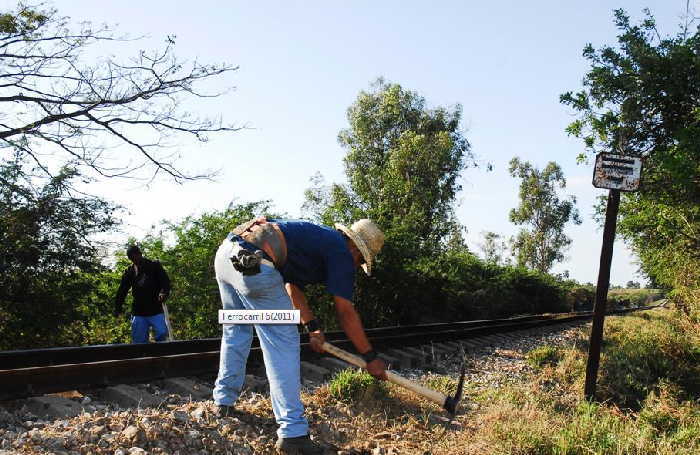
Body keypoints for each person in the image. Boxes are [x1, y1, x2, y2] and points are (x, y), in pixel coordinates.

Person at [214, 217, 387, 454]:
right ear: (356, 248)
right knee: (283, 342)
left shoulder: (319, 240)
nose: (356, 266)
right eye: (360, 261)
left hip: (227, 256)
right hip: (255, 264)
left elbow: (291, 287)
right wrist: (370, 356)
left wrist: (312, 328)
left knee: (237, 329)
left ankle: (223, 401)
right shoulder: (341, 253)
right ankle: (293, 434)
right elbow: (345, 311)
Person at [114, 245, 172, 343]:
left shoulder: (154, 266)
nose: (134, 259)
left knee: (162, 334)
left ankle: (160, 356)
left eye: (135, 256)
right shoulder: (129, 272)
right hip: (139, 311)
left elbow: (165, 282)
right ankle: (143, 357)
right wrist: (117, 307)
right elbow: (122, 291)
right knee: (139, 341)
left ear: (140, 254)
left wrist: (163, 292)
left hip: (155, 309)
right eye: (131, 258)